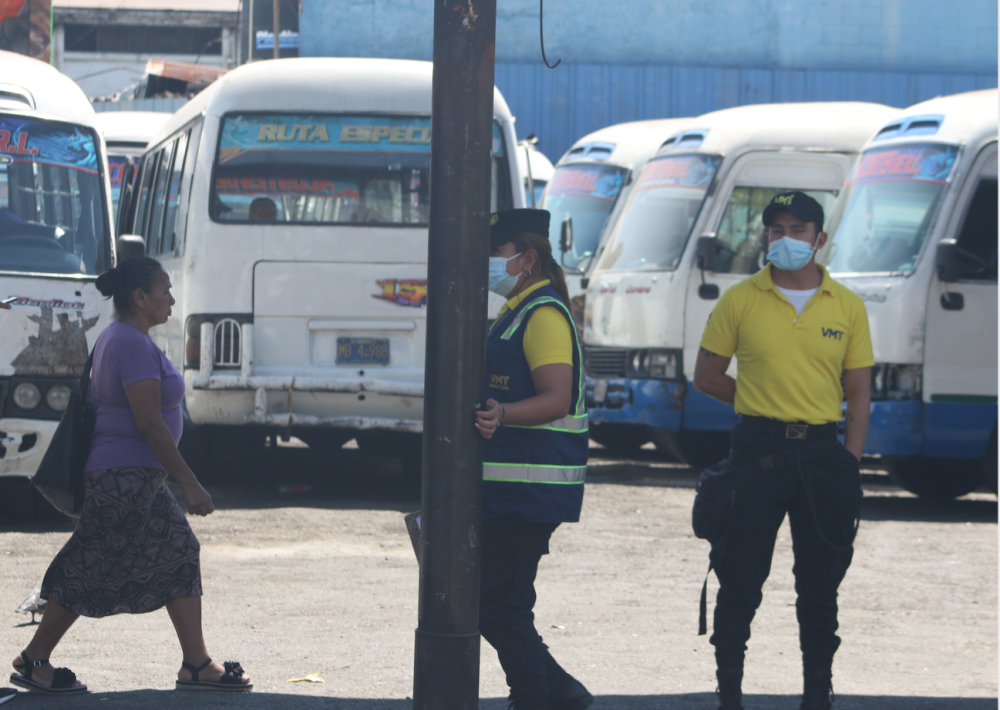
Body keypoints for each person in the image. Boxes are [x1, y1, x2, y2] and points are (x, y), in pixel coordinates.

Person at [9, 257, 252, 695]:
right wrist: (190, 484)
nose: (172, 299)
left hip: (135, 479)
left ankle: (196, 663)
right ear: (140, 297)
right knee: (88, 564)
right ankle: (33, 660)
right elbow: (151, 424)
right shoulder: (129, 343)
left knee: (178, 549)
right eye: (164, 291)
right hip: (122, 479)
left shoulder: (125, 338)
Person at [693, 192, 872, 710]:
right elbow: (707, 376)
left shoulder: (848, 305)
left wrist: (851, 463)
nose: (785, 239)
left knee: (820, 587)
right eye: (775, 230)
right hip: (757, 453)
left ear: (819, 239)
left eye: (797, 229)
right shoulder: (740, 298)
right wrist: (758, 400)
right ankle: (729, 691)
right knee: (740, 578)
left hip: (823, 456)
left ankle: (818, 690)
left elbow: (859, 392)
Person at [475, 209, 593, 710]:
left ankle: (537, 696)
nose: (489, 263)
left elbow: (556, 398)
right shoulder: (516, 309)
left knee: (499, 605)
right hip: (512, 488)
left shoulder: (542, 314)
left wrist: (502, 413)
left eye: (496, 254)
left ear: (527, 258)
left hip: (531, 487)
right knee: (497, 603)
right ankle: (558, 691)